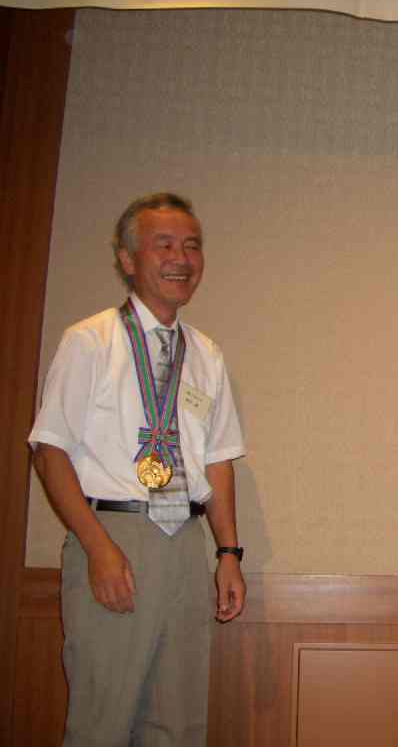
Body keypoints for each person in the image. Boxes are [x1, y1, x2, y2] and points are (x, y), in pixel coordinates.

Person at [29, 193, 246, 746]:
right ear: (127, 259)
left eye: (192, 246)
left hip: (185, 540)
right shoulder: (90, 341)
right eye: (164, 245)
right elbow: (50, 451)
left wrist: (228, 553)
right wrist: (98, 549)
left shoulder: (206, 354)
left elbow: (218, 459)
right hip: (114, 534)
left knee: (177, 721)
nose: (181, 258)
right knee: (103, 719)